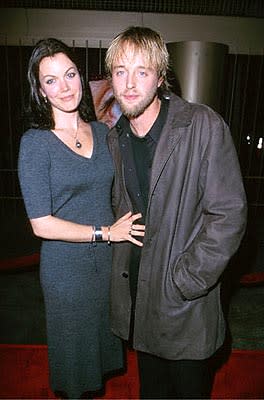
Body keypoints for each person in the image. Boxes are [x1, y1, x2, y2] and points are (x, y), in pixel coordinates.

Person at [105, 26, 247, 399]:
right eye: (120, 71)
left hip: (184, 303)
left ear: (161, 77)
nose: (130, 83)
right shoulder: (114, 137)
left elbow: (228, 214)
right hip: (139, 300)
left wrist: (186, 279)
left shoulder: (202, 125)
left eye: (142, 71)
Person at [18, 37, 145, 399]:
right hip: (66, 271)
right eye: (51, 80)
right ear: (41, 91)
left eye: (70, 74)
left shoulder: (104, 132)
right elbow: (41, 223)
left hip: (106, 265)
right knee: (75, 366)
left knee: (100, 358)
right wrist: (106, 233)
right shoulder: (35, 143)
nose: (64, 87)